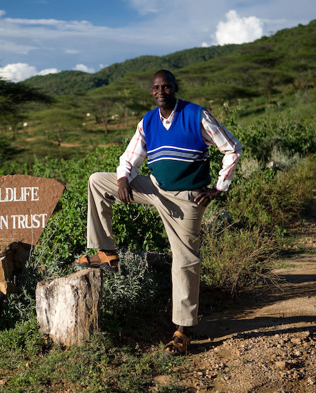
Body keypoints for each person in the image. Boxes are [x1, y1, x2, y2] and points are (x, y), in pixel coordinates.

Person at [74, 69, 242, 356]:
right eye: (156, 88)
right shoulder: (148, 121)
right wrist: (124, 179)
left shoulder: (195, 115)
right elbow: (130, 157)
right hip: (154, 187)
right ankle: (106, 252)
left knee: (185, 260)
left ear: (175, 88)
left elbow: (233, 149)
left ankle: (183, 330)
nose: (161, 91)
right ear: (151, 92)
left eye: (166, 86)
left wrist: (219, 188)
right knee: (97, 181)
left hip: (185, 198)